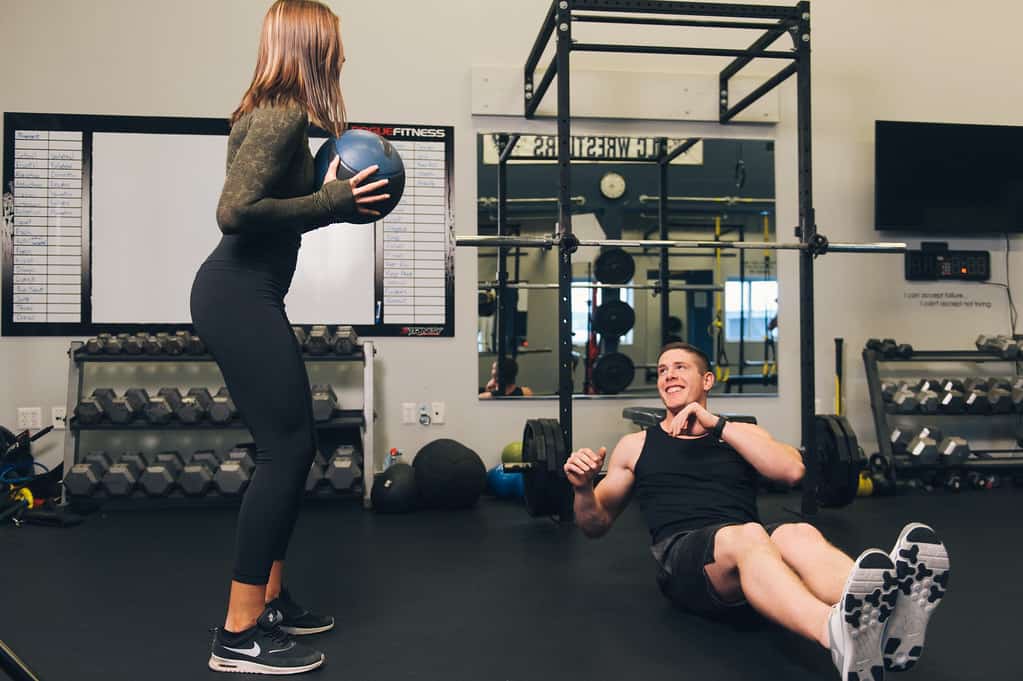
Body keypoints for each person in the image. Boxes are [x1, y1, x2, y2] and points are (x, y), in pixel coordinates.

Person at [190, 0, 390, 674]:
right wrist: (330, 202)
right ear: (310, 47)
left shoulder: (270, 114)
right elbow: (234, 213)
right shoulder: (278, 117)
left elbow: (273, 216)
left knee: (292, 445)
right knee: (287, 449)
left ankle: (268, 602)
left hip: (245, 293)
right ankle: (238, 632)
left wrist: (323, 204)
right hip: (235, 292)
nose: (341, 55)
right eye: (333, 43)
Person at [564, 341, 951, 680]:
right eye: (662, 370)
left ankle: (893, 620)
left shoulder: (738, 434)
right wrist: (583, 489)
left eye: (680, 367)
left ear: (708, 381)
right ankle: (832, 633)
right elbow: (595, 525)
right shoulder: (635, 445)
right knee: (748, 534)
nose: (668, 376)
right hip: (683, 563)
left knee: (795, 533)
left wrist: (716, 425)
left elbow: (792, 470)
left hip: (752, 559)